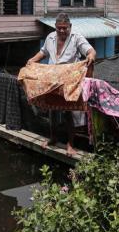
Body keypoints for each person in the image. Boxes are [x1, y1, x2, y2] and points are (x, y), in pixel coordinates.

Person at [27, 13, 96, 155]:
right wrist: (32, 60)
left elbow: (90, 50)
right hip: (51, 79)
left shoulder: (77, 37)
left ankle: (70, 145)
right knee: (52, 110)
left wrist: (90, 56)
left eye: (65, 28)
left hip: (68, 80)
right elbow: (43, 52)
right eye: (59, 28)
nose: (62, 31)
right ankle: (53, 138)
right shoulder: (50, 37)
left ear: (70, 27)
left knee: (67, 112)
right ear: (55, 27)